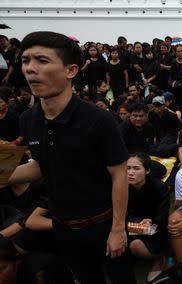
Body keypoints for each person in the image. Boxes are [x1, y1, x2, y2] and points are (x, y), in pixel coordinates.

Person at [5, 31, 135, 284]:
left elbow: (119, 175)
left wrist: (118, 229)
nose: (30, 69)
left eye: (42, 61)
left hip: (104, 223)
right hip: (63, 226)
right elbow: (42, 167)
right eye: (25, 61)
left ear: (71, 70)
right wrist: (3, 170)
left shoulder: (98, 119)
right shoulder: (28, 119)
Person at [126, 153, 170, 282]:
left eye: (136, 168)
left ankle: (158, 259)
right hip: (131, 225)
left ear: (147, 170)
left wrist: (152, 221)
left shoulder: (160, 188)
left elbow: (162, 218)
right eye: (128, 168)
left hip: (154, 228)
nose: (130, 172)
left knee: (135, 246)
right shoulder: (123, 187)